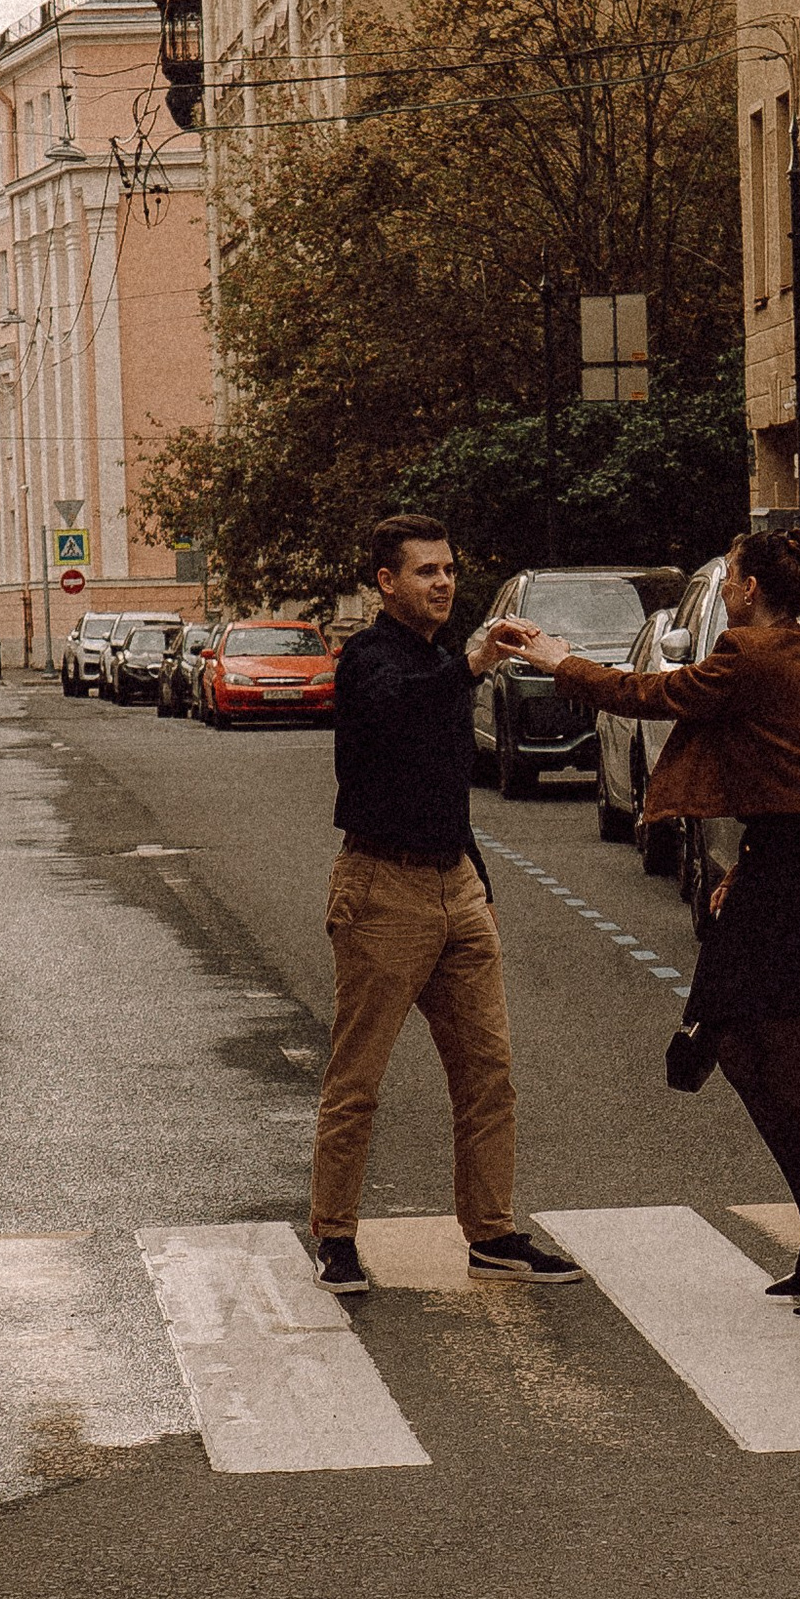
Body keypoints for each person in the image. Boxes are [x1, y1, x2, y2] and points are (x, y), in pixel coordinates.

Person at [510, 518, 800, 1323]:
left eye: (728, 579)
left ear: (750, 589)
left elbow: (649, 695)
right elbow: (790, 774)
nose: (724, 590)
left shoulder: (751, 655)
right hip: (789, 864)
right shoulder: (796, 651)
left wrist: (560, 661)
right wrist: (748, 868)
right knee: (738, 1048)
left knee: (791, 1069)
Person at [308, 512, 582, 1295]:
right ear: (386, 583)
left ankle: (492, 1232)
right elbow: (399, 707)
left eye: (450, 569)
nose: (443, 583)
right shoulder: (368, 660)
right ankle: (335, 1236)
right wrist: (469, 663)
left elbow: (447, 793)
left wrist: (479, 887)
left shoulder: (439, 664)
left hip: (453, 881)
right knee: (358, 1078)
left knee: (488, 1072)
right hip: (381, 886)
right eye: (425, 571)